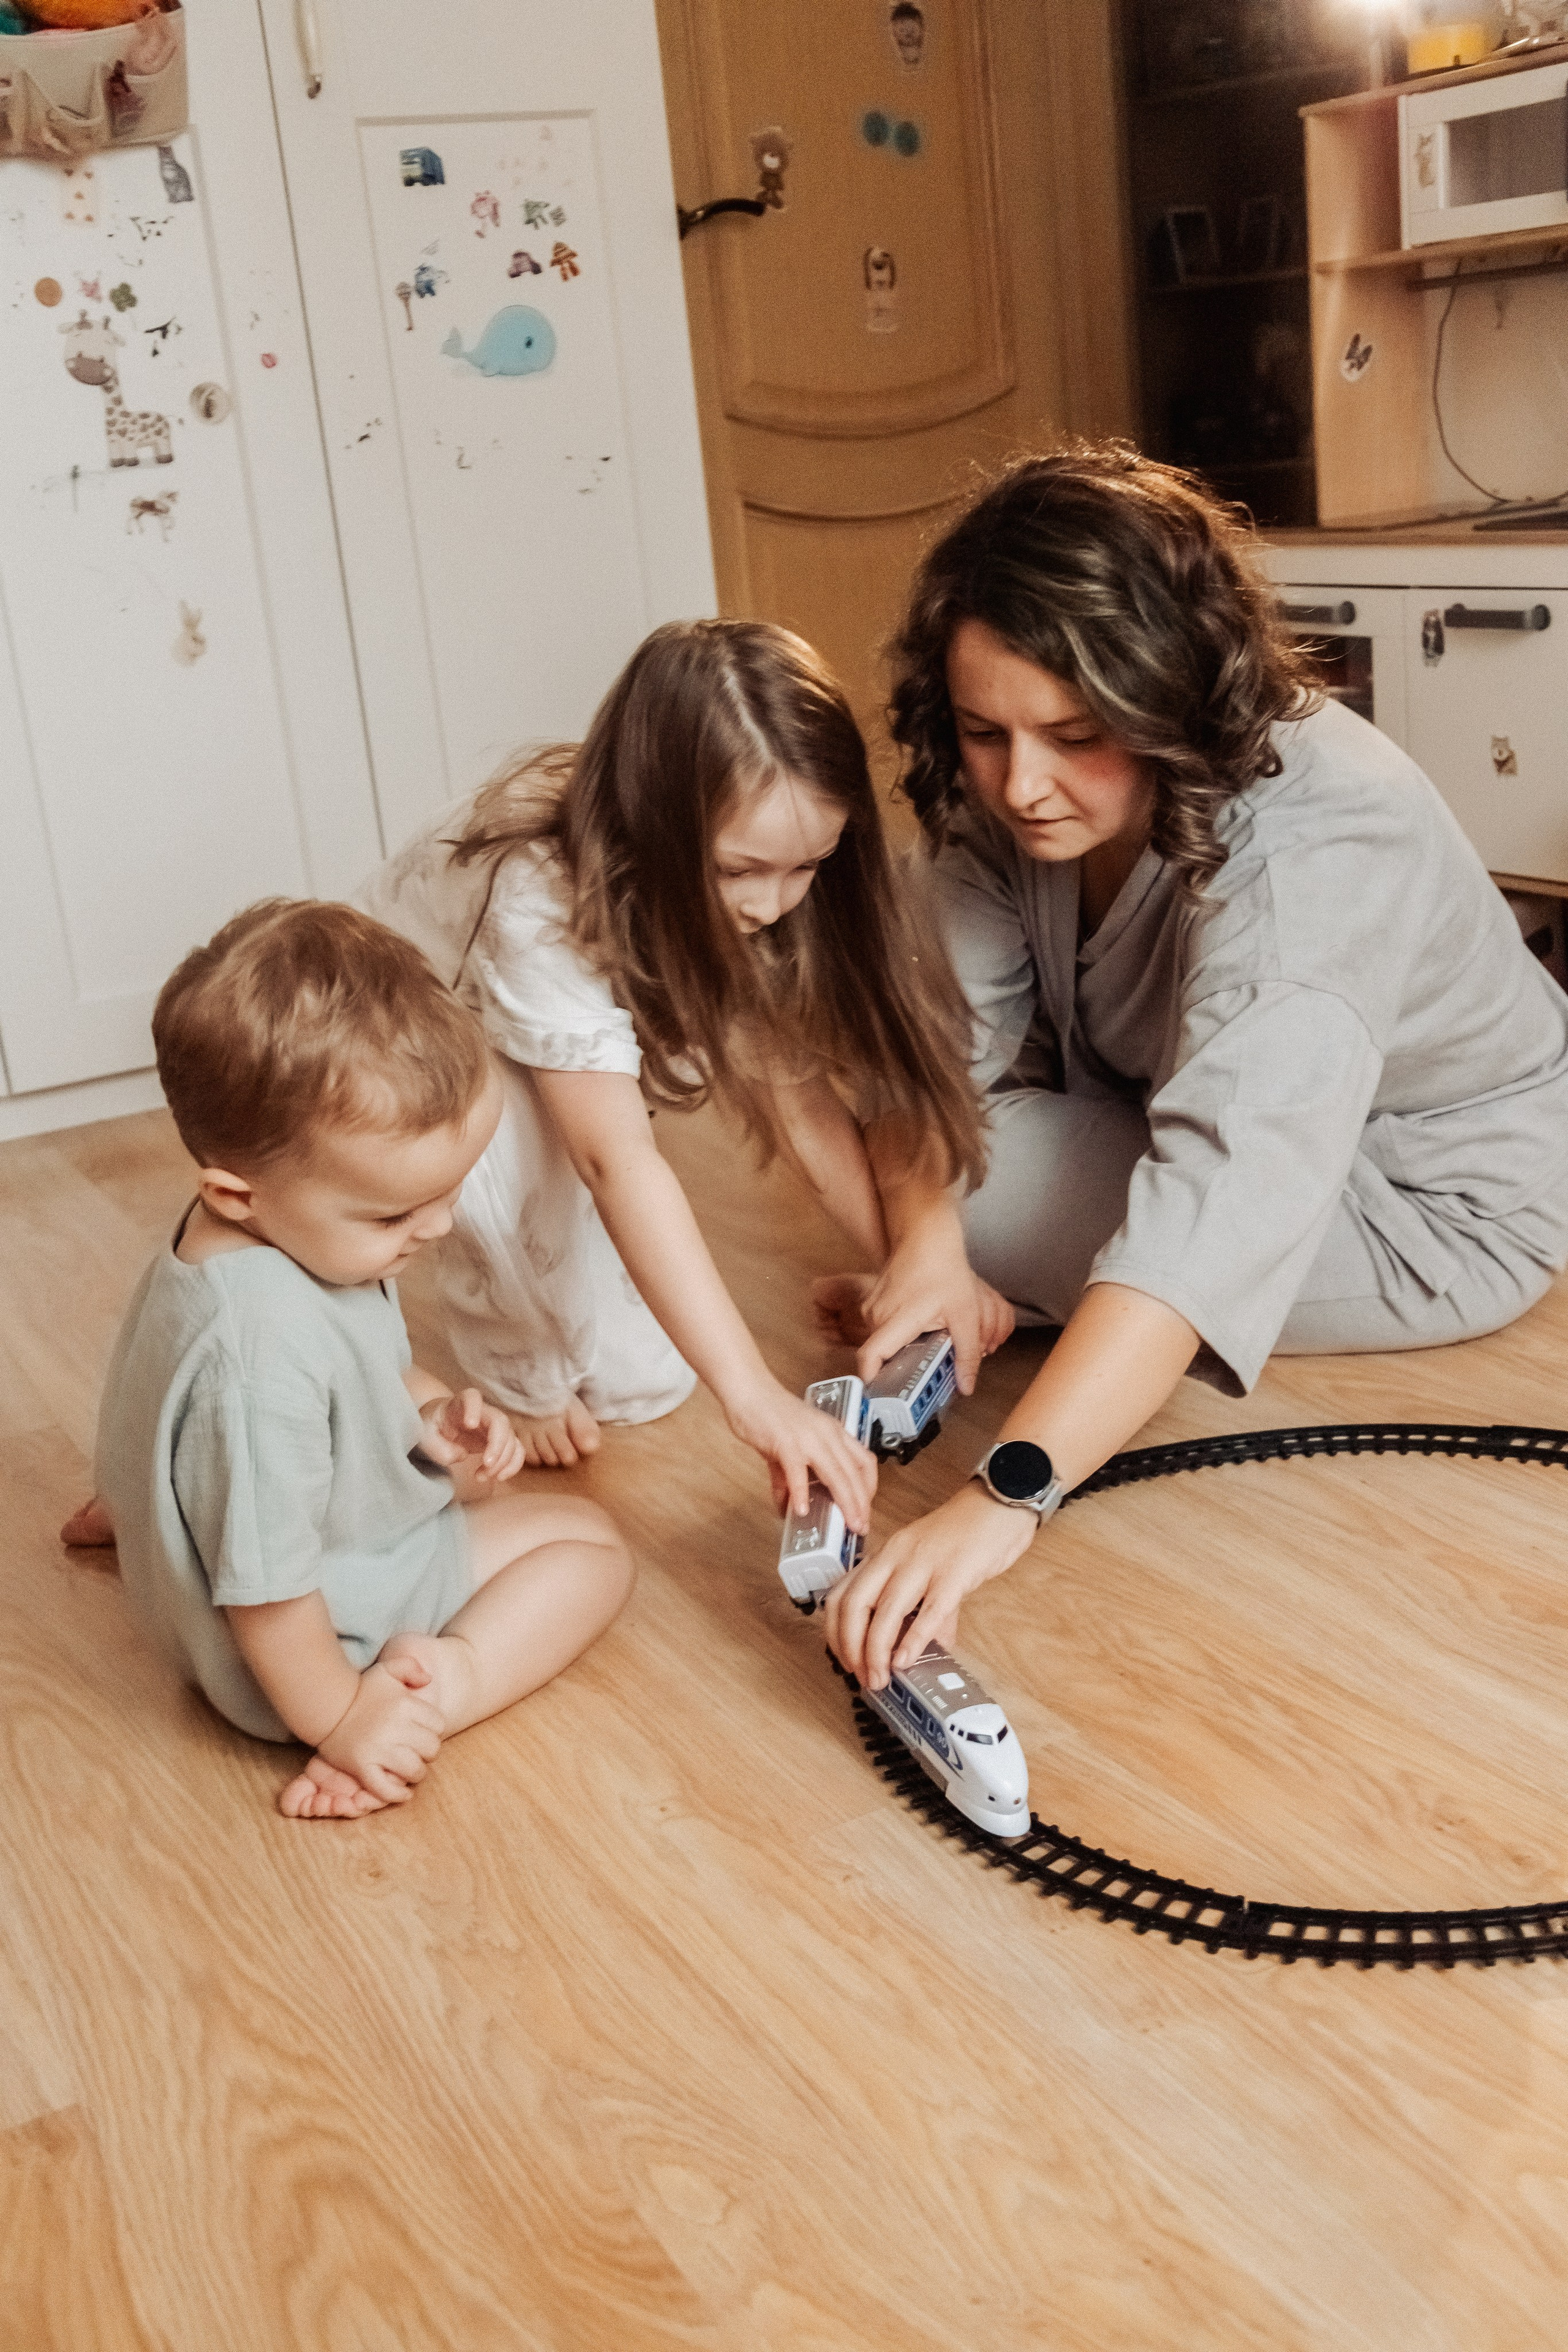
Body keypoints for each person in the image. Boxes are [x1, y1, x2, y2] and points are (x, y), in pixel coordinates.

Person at [824, 445, 1568, 1691]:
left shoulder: (1322, 835)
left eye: (1073, 734)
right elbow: (924, 1057)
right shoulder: (1005, 786)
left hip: (1423, 1206)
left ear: (1169, 692)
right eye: (982, 731)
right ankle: (1015, 1295)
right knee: (925, 1171)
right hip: (1164, 1117)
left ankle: (1050, 1317)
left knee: (989, 1189)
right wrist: (925, 1254)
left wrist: (1003, 1494)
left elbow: (1213, 1210)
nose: (1021, 784)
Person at [356, 618, 1005, 1539]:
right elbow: (612, 1159)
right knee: (519, 1165)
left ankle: (554, 1341)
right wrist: (756, 1401)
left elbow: (802, 1104)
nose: (771, 903)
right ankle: (518, 1371)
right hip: (408, 1036)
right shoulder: (535, 895)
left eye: (807, 868)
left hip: (536, 1014)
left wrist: (910, 1271)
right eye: (741, 871)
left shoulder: (754, 893)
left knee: (643, 1385)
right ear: (659, 828)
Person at [89, 900, 634, 1820]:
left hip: (275, 1570)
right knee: (592, 1549)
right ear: (238, 1192)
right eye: (394, 1215)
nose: (439, 1225)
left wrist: (431, 1416)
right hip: (303, 1654)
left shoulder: (262, 1240)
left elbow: (351, 1375)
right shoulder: (260, 1363)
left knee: (482, 1488)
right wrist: (344, 1720)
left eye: (450, 1191)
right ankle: (445, 1680)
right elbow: (271, 1595)